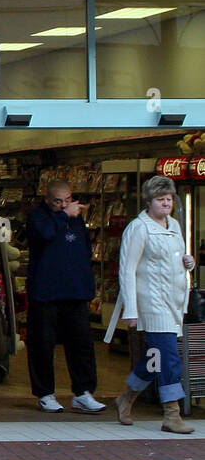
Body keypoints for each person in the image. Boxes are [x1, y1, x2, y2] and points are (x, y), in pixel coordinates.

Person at [111, 175, 196, 433]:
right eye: (161, 199)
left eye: (169, 199)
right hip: (152, 303)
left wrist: (187, 262)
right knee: (169, 357)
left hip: (173, 303)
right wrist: (132, 310)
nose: (166, 203)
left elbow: (175, 257)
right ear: (149, 201)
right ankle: (172, 413)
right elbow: (127, 270)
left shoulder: (174, 225)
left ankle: (126, 398)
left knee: (154, 358)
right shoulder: (139, 228)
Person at [25, 179, 105, 413]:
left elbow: (84, 251)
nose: (64, 205)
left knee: (81, 345)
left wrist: (87, 286)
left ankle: (83, 392)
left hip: (76, 293)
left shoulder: (77, 219)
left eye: (68, 200)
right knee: (43, 344)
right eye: (58, 201)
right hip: (45, 294)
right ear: (48, 199)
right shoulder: (37, 217)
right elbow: (45, 234)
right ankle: (45, 393)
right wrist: (63, 216)